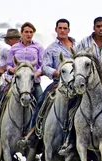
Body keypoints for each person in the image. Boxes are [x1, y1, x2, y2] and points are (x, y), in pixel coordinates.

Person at [14, 19, 76, 150]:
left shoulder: (77, 46)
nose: (63, 30)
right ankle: (31, 135)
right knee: (41, 101)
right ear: (56, 30)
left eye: (65, 28)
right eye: (60, 28)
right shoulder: (51, 48)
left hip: (76, 84)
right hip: (58, 83)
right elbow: (45, 66)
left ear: (69, 30)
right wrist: (55, 72)